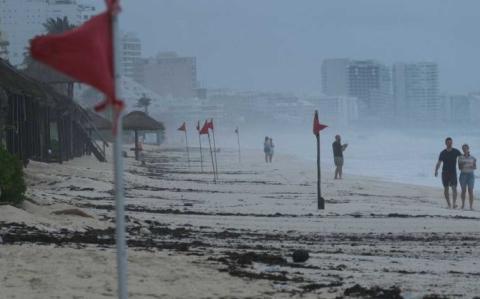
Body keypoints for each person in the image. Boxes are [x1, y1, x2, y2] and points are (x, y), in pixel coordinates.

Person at [435, 137, 462, 209]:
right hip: (445, 173)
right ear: (445, 143)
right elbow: (439, 162)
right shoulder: (443, 153)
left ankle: (454, 203)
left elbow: (462, 157)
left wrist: (462, 165)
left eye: (451, 142)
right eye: (448, 142)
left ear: (452, 143)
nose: (449, 144)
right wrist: (436, 170)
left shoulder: (456, 151)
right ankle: (448, 204)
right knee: (446, 188)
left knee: (454, 188)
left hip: (453, 172)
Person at [458, 144, 476, 210]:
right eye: (463, 149)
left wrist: (472, 166)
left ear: (468, 149)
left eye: (466, 148)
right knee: (463, 190)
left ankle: (471, 206)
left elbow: (475, 167)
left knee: (470, 190)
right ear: (462, 150)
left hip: (471, 175)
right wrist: (463, 164)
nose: (464, 150)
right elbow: (459, 168)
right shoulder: (460, 157)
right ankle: (463, 205)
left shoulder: (473, 158)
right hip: (463, 174)